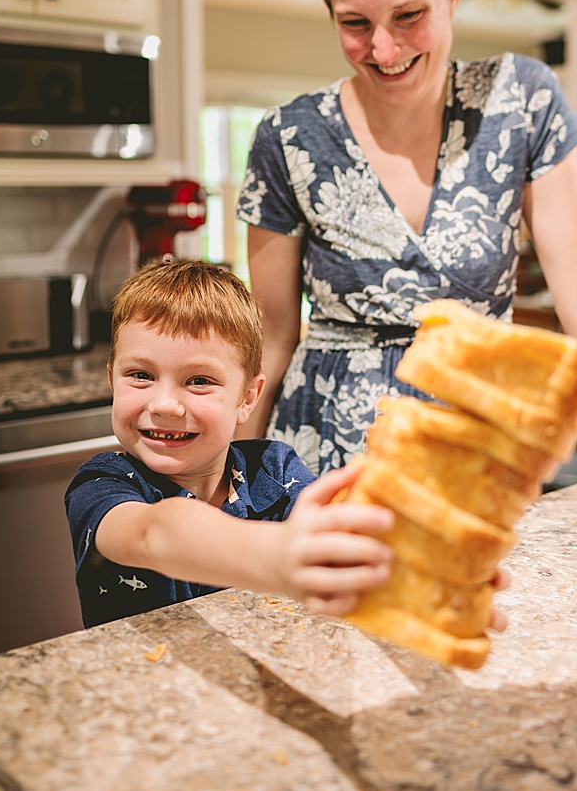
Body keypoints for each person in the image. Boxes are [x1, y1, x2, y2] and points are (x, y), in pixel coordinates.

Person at [237, 0, 577, 490]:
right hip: (324, 460)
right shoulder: (287, 136)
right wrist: (223, 490)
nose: (384, 49)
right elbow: (272, 335)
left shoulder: (520, 99)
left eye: (409, 15)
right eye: (355, 23)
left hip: (474, 448)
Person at [64, 259, 398, 629]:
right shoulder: (103, 483)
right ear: (112, 378)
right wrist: (275, 554)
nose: (164, 406)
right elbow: (156, 533)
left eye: (199, 381)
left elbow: (332, 539)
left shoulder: (274, 468)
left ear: (247, 397)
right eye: (141, 375)